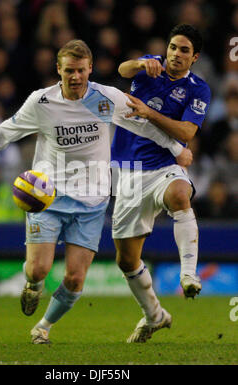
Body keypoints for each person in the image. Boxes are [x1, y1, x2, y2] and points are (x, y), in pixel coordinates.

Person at [0, 39, 191, 345]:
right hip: (47, 195)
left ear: (90, 69)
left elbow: (143, 125)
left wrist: (176, 147)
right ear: (59, 70)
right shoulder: (42, 102)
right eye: (69, 70)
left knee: (75, 278)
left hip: (92, 200)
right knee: (38, 269)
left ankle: (43, 327)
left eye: (81, 70)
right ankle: (32, 285)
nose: (75, 76)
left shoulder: (106, 98)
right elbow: (7, 129)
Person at [111, 24, 211, 343]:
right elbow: (122, 69)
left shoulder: (199, 90)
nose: (175, 54)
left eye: (184, 50)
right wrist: (141, 63)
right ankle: (155, 316)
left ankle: (189, 274)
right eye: (172, 47)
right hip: (128, 170)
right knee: (126, 260)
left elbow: (186, 134)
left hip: (164, 167)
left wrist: (147, 113)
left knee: (181, 194)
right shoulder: (149, 66)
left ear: (194, 57)